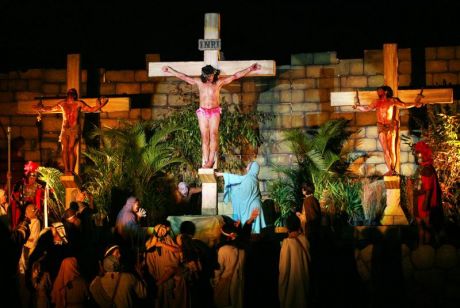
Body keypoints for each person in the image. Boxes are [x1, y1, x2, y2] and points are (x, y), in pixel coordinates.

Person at [162, 63, 261, 168]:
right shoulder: (199, 82)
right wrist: (170, 70)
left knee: (213, 135)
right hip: (203, 112)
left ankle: (210, 161)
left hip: (214, 112)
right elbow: (184, 77)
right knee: (205, 137)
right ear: (204, 75)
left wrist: (250, 68)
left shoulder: (218, 83)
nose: (211, 77)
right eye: (209, 75)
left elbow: (235, 76)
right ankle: (205, 161)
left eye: (212, 75)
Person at [33, 88, 109, 174]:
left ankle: (71, 170)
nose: (71, 94)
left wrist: (100, 105)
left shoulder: (78, 103)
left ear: (75, 95)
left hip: (74, 129)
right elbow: (50, 108)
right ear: (67, 94)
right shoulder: (62, 103)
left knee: (71, 148)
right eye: (70, 93)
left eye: (73, 93)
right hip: (65, 128)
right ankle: (66, 170)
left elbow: (91, 109)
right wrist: (40, 108)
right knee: (64, 149)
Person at [353, 86, 423, 176]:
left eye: (380, 90)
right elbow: (366, 109)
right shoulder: (376, 102)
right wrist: (357, 107)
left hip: (391, 127)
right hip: (381, 127)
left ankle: (392, 169)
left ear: (386, 92)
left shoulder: (392, 101)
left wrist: (415, 104)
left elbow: (404, 105)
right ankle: (390, 169)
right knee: (385, 150)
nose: (378, 92)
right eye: (377, 91)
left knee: (392, 149)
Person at [215, 161, 266, 233]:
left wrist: (233, 189)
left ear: (252, 168)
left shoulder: (249, 179)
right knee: (255, 230)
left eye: (248, 166)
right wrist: (222, 174)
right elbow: (238, 179)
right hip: (256, 205)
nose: (246, 168)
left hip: (251, 208)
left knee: (251, 230)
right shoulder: (253, 179)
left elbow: (241, 190)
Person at [413, 141, 443, 246]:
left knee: (427, 224)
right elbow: (419, 184)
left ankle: (432, 243)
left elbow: (428, 189)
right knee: (421, 226)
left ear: (423, 154)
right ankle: (421, 247)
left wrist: (426, 203)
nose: (417, 155)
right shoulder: (422, 167)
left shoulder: (427, 169)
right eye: (416, 153)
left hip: (423, 200)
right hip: (418, 199)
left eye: (418, 153)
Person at [278, 213, 310, 308]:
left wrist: (281, 295)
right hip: (305, 288)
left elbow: (283, 272)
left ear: (287, 227)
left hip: (292, 293)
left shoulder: (287, 244)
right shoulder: (305, 240)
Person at [11, 161, 43, 229]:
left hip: (33, 209)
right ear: (28, 177)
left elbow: (40, 200)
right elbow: (15, 196)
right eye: (31, 177)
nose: (32, 179)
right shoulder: (21, 185)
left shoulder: (38, 186)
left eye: (34, 177)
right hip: (22, 208)